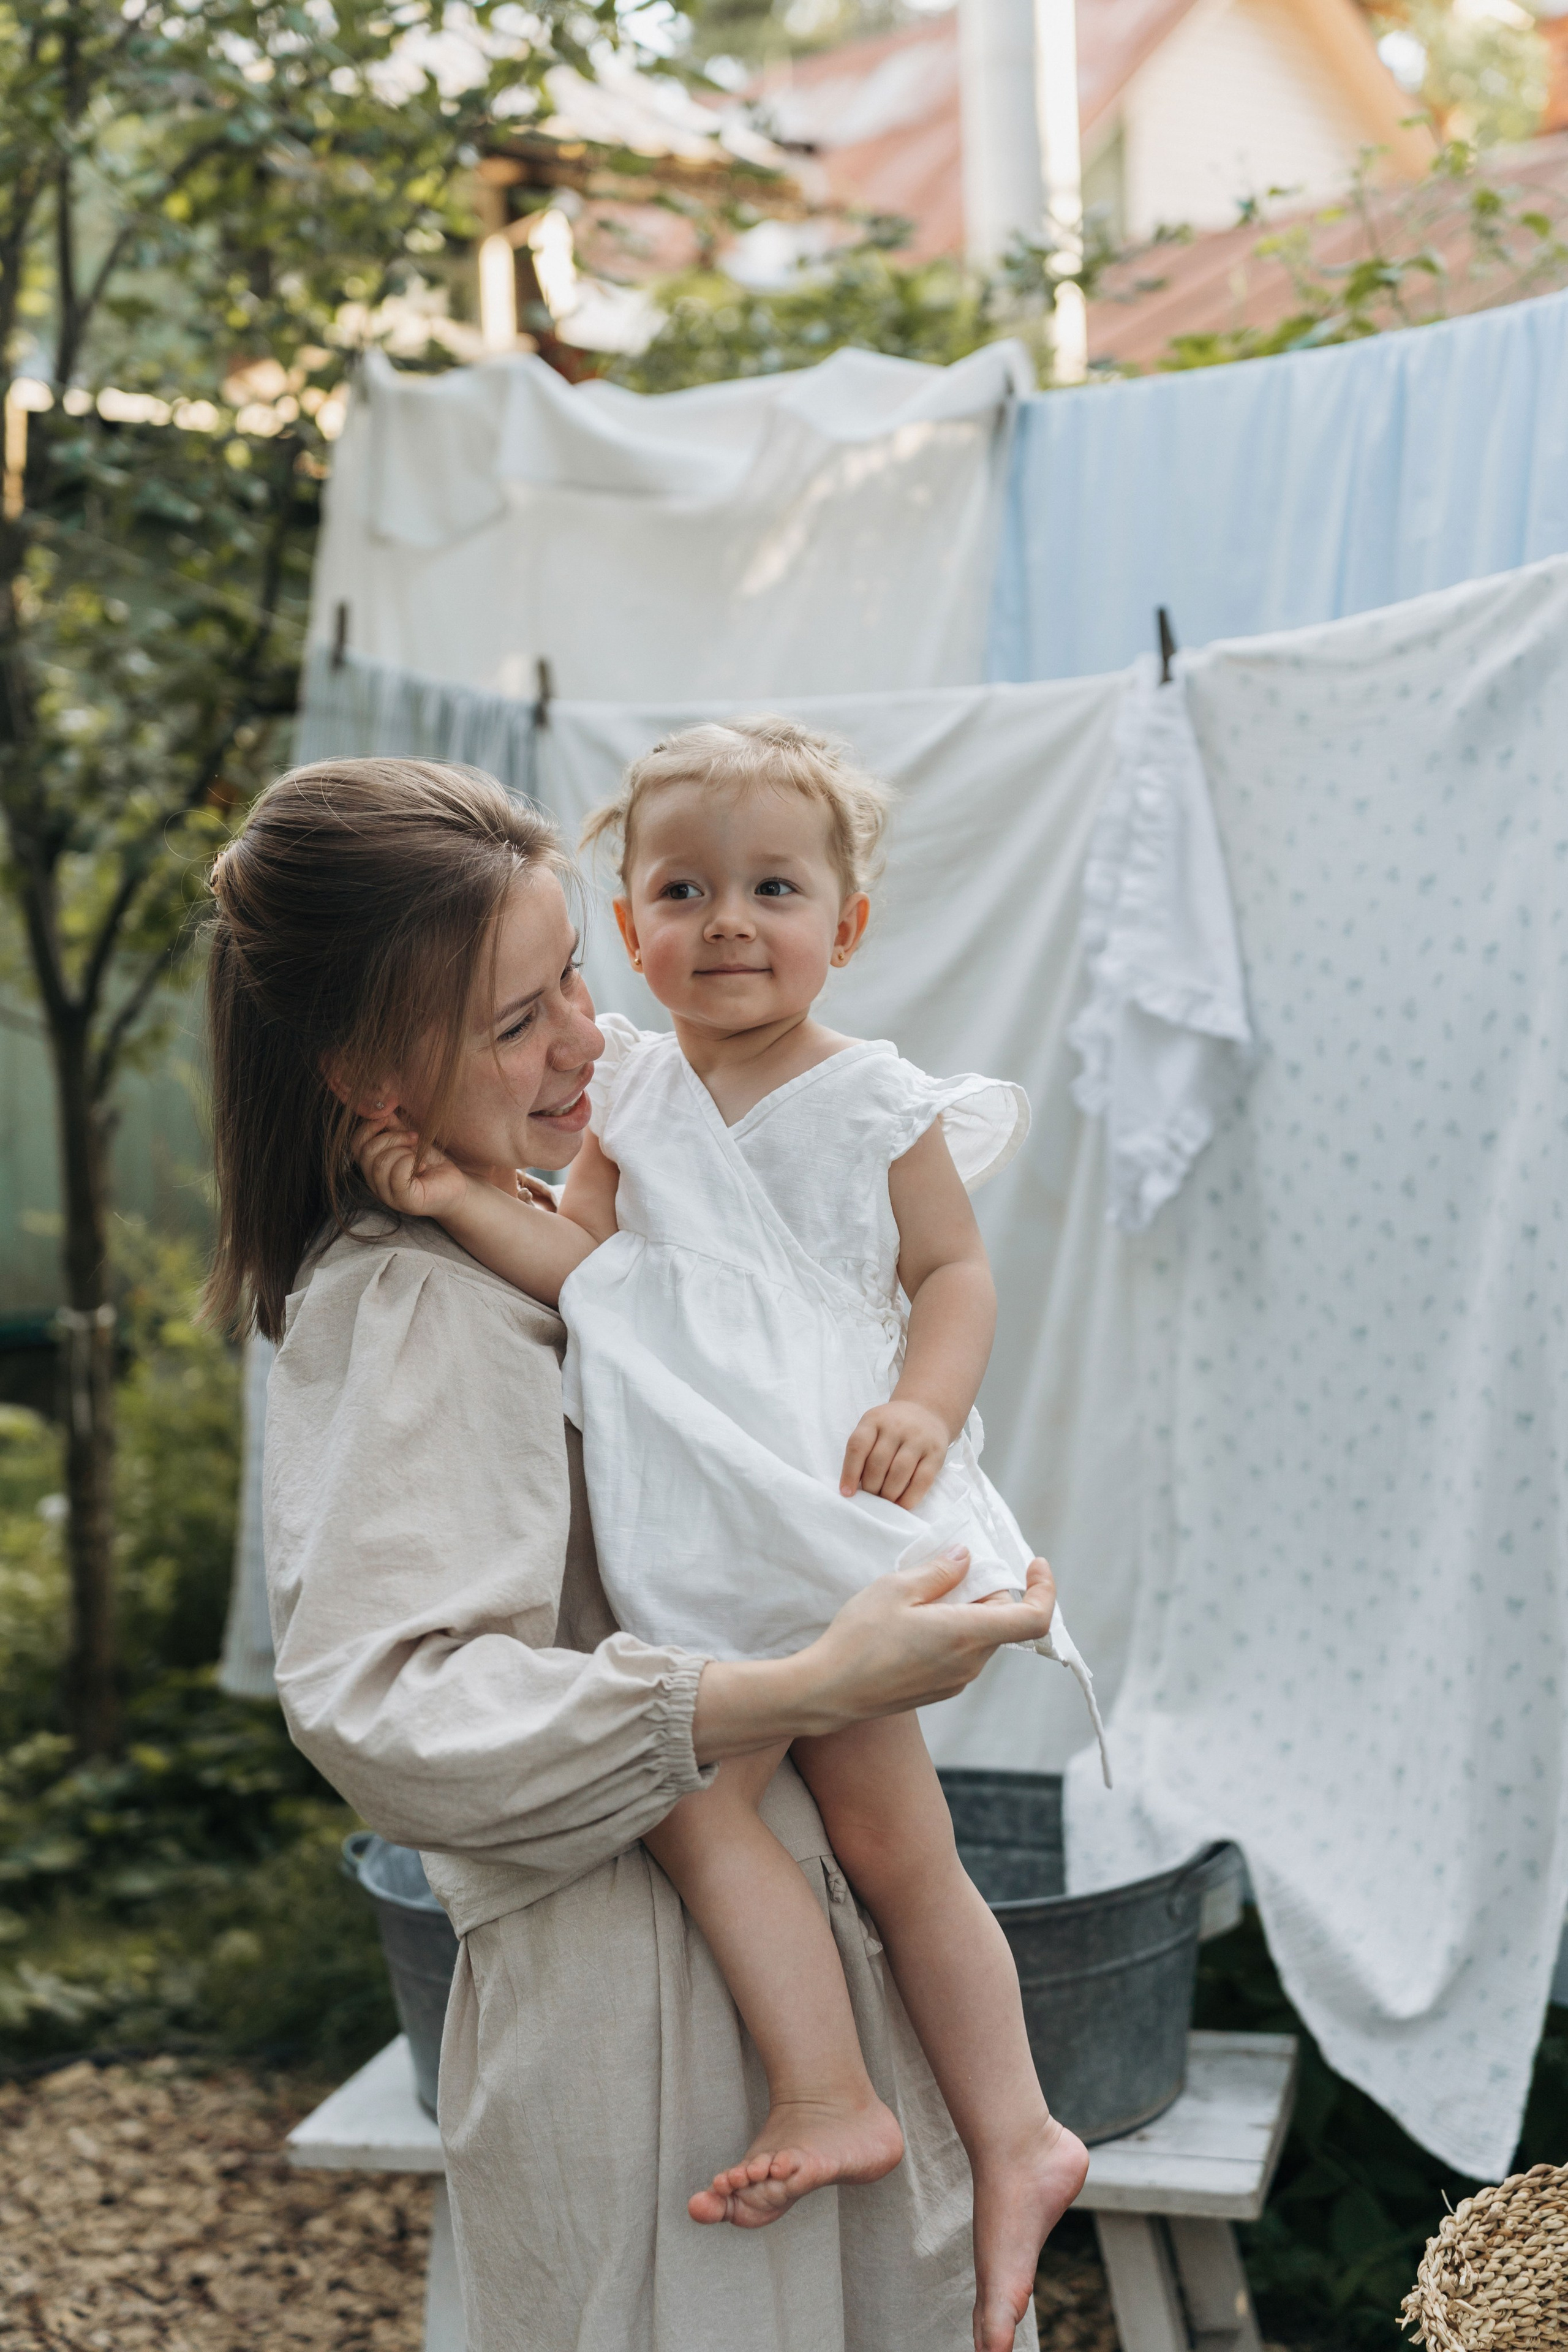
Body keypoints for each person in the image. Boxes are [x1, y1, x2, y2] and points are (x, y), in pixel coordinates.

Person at [203, 755, 1063, 2352]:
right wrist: (795, 1682)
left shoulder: (567, 1209)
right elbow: (388, 1708)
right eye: (516, 1021)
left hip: (758, 1992)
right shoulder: (412, 1300)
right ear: (364, 1075)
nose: (590, 1040)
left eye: (573, 984)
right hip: (652, 2031)